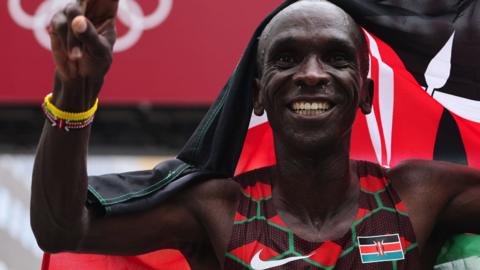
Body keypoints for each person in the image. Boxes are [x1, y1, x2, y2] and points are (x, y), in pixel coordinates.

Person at [31, 0, 480, 269]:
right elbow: (61, 227)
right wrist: (75, 91)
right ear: (258, 93)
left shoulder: (419, 195)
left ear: (364, 92)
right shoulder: (218, 209)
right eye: (286, 59)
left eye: (336, 58)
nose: (310, 75)